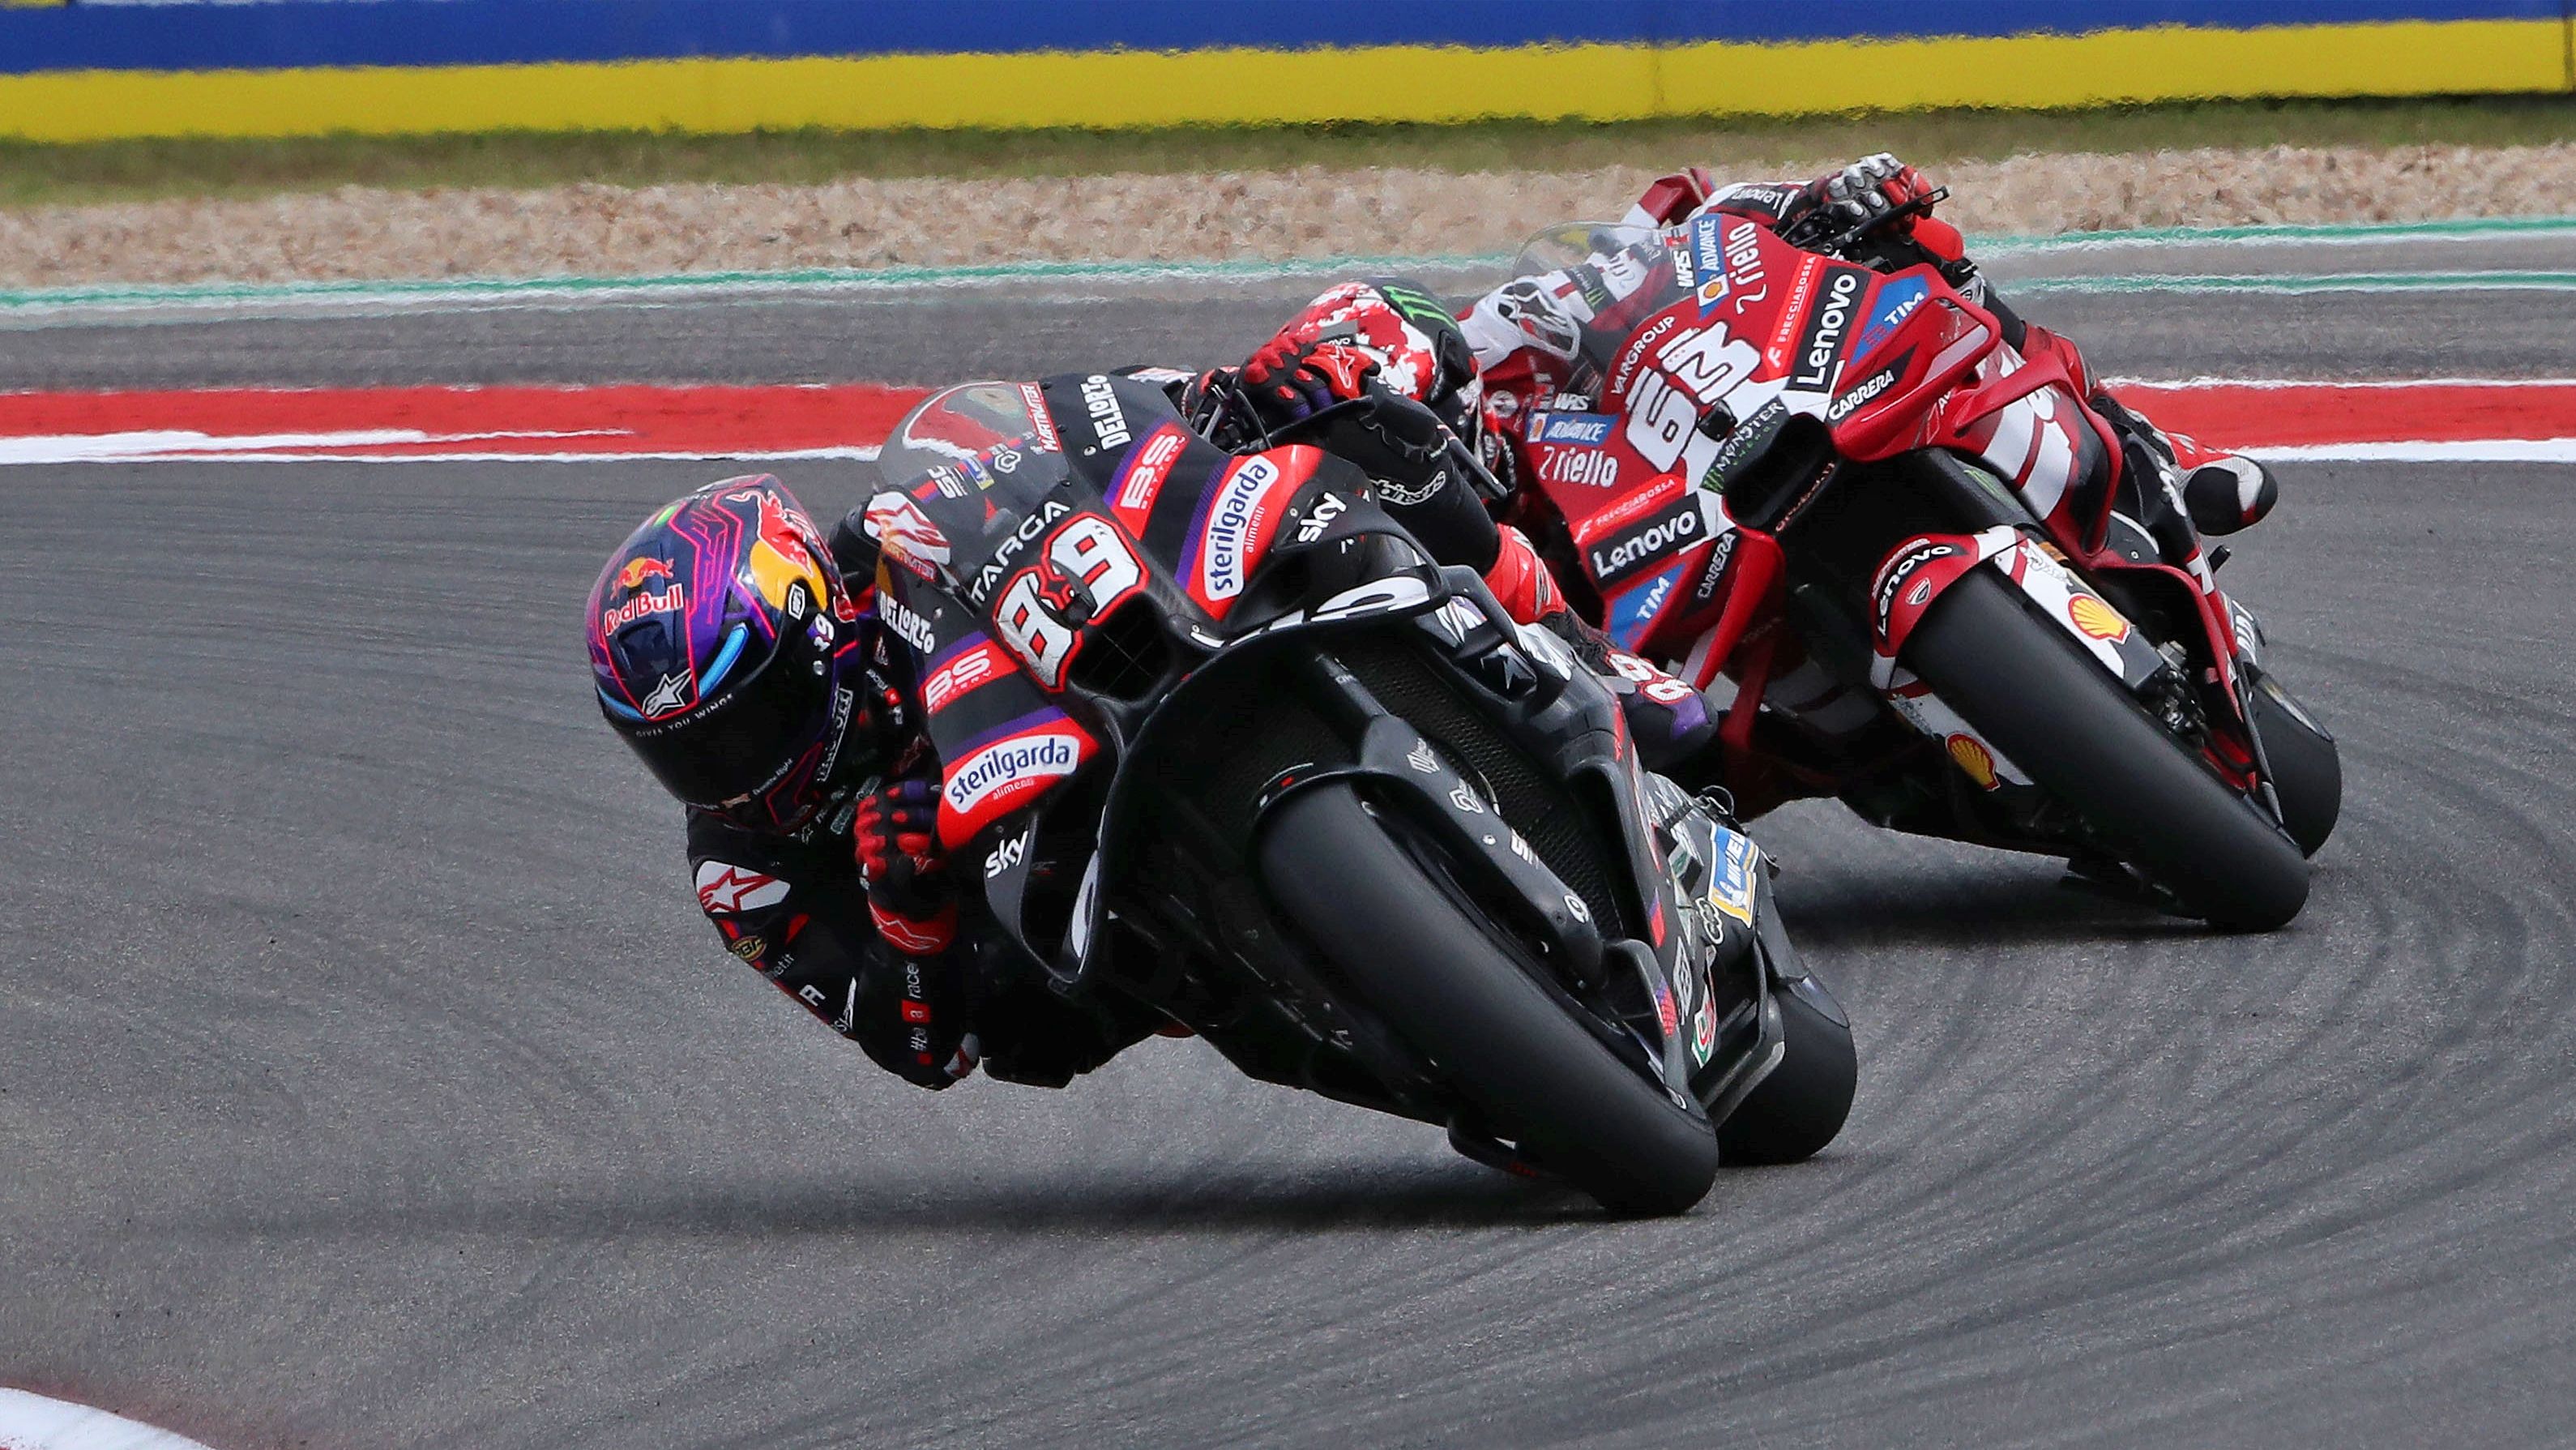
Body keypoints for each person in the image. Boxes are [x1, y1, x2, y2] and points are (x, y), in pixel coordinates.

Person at [585, 373, 1715, 1093]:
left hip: (1121, 679)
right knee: (1030, 1035)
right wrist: (906, 918)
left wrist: (1216, 399)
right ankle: (1370, 990)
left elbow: (1057, 445)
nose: (739, 774)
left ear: (815, 614)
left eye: (753, 720)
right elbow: (927, 1053)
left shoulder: (885, 551)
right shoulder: (745, 871)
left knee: (1369, 422)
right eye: (690, 757)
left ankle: (1570, 642)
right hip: (1068, 943)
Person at [1207, 154, 2277, 600]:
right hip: (1674, 679)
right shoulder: (1449, 553)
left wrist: (1820, 201)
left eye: (1421, 410)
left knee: (1911, 248)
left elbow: (1697, 229)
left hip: (1736, 458)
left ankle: (2156, 466)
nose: (1427, 439)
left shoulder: (1511, 348)